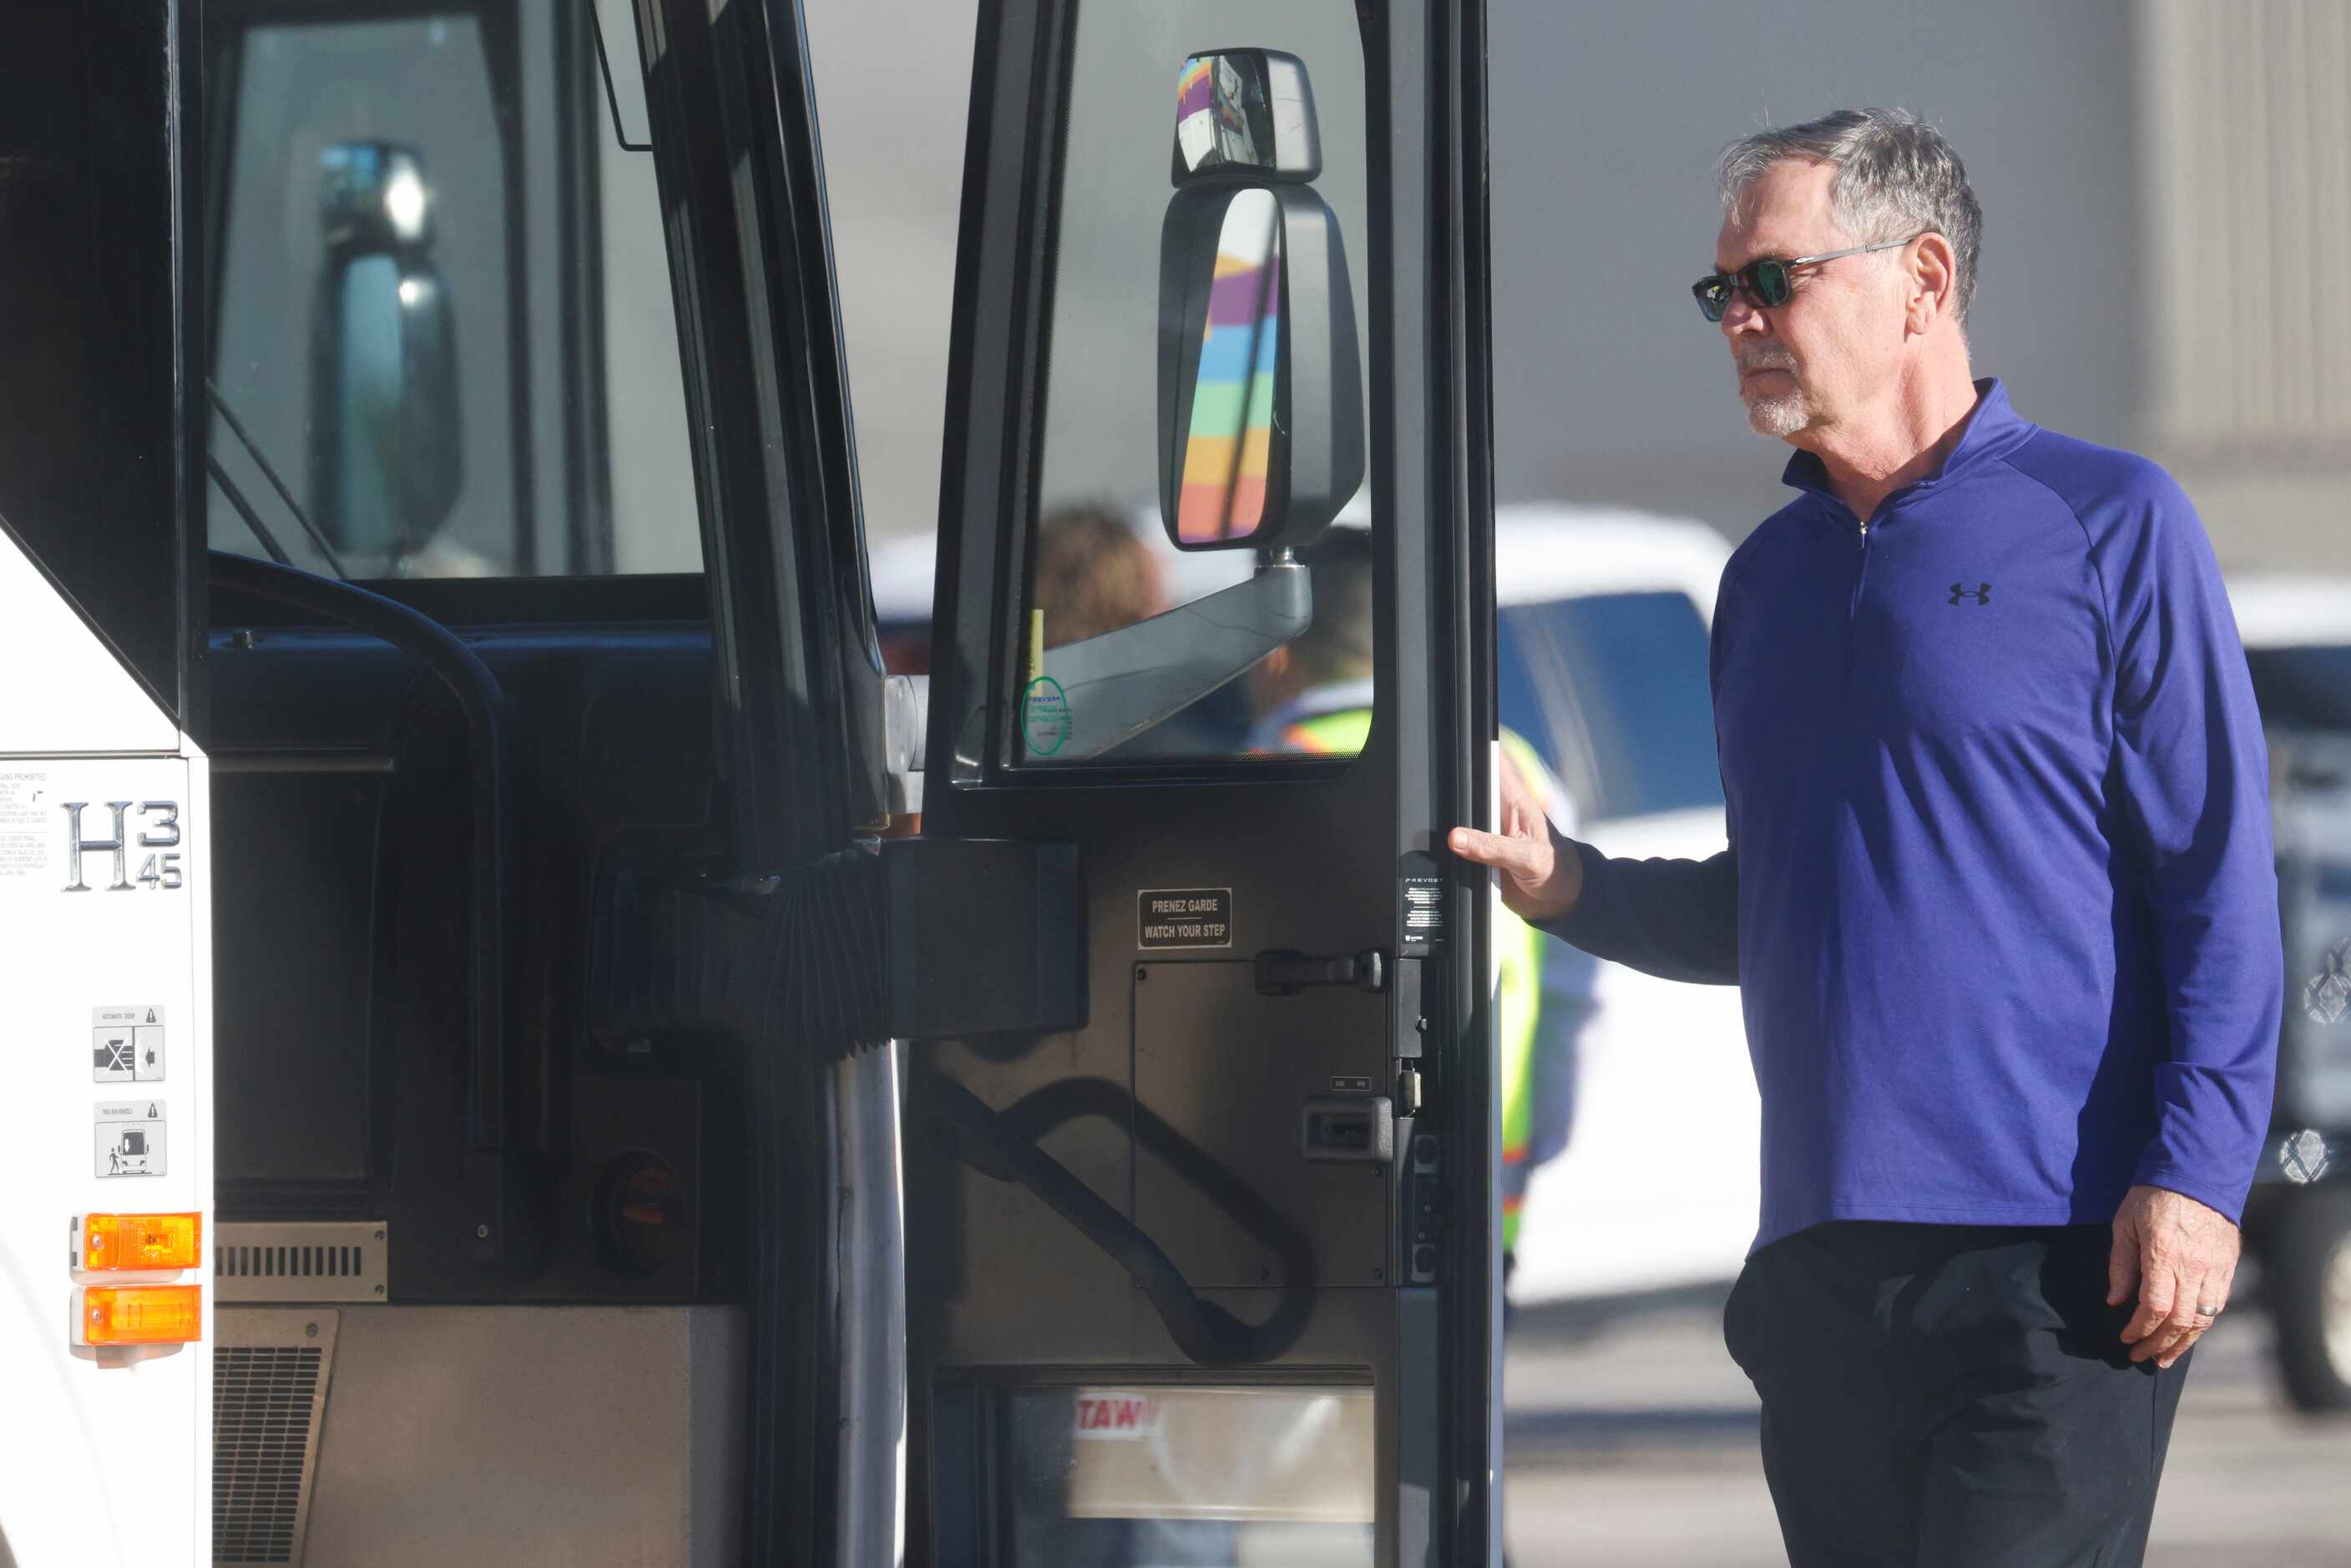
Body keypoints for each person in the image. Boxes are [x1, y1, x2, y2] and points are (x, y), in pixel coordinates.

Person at [1450, 108, 2282, 1565]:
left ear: (1924, 276)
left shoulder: (2109, 522)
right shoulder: (1765, 582)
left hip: (2060, 1255)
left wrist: (2201, 1179)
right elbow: (1781, 907)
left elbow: (2218, 883)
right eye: (1722, 294)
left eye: (1775, 279)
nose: (1741, 322)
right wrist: (1565, 882)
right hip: (1822, 1271)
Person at [1252, 528, 1601, 1298]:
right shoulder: (1512, 768)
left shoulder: (1266, 770)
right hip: (1484, 1200)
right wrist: (1540, 1135)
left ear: (1272, 653)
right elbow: (1574, 986)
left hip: (1284, 1212)